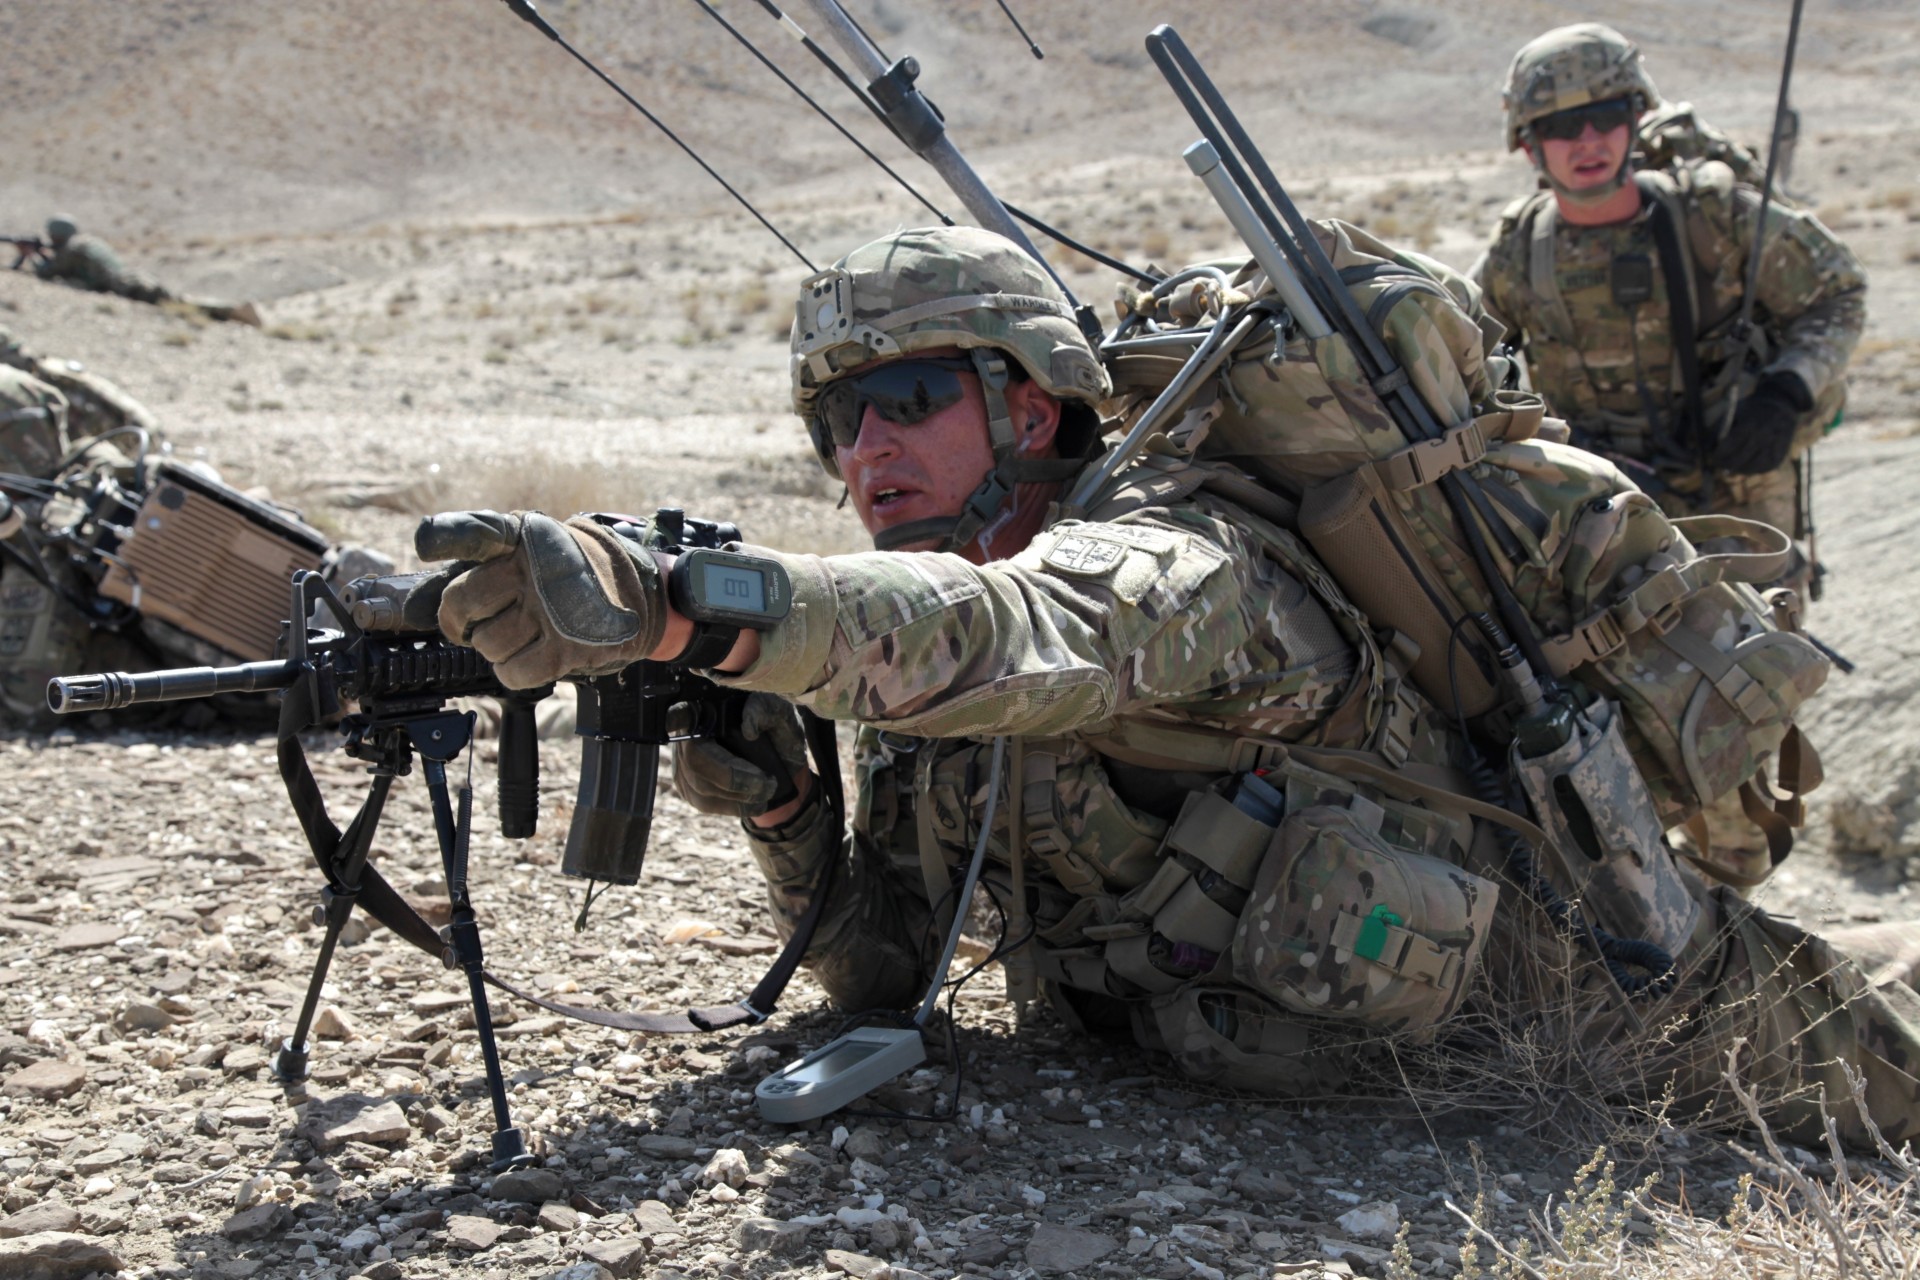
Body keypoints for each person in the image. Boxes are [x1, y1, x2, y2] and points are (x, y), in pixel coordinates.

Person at [418, 225, 1918, 1150]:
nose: (867, 454)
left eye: (909, 399)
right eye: (837, 427)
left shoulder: (1191, 577)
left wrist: (690, 611)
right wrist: (783, 802)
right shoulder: (946, 659)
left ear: (1028, 400)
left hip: (1622, 1010)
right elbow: (887, 974)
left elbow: (1015, 634)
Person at [1471, 24, 1865, 890]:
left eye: (1605, 115)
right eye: (1558, 127)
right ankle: (1678, 884)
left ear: (1635, 117)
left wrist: (1786, 392)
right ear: (1527, 145)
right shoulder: (1518, 255)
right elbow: (1479, 371)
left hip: (1736, 491)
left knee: (1743, 695)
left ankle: (1739, 882)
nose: (1586, 142)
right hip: (1613, 516)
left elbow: (1835, 293)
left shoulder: (1714, 215)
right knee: (1637, 699)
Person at [32, 215, 260, 326]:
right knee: (177, 301)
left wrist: (31, 256)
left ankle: (231, 310)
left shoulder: (73, 248)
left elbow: (49, 272)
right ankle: (231, 311)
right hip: (135, 276)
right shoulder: (87, 242)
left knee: (179, 304)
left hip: (129, 285)